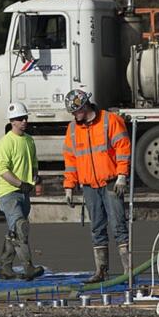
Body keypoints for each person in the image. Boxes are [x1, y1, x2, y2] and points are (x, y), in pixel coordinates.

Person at [62, 87, 131, 284]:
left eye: (77, 111)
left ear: (86, 106)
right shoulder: (73, 129)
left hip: (110, 183)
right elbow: (71, 159)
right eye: (73, 113)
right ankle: (101, 271)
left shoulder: (110, 121)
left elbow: (123, 149)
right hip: (89, 186)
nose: (75, 116)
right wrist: (69, 185)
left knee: (118, 226)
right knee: (97, 228)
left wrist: (121, 175)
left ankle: (128, 270)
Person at [0, 101, 45, 281]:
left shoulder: (29, 140)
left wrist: (34, 179)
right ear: (12, 121)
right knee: (20, 227)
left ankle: (5, 267)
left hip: (24, 192)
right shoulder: (6, 142)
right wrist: (19, 183)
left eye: (25, 118)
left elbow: (34, 163)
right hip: (8, 192)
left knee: (14, 232)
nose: (24, 121)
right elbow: (2, 169)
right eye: (19, 118)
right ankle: (28, 267)